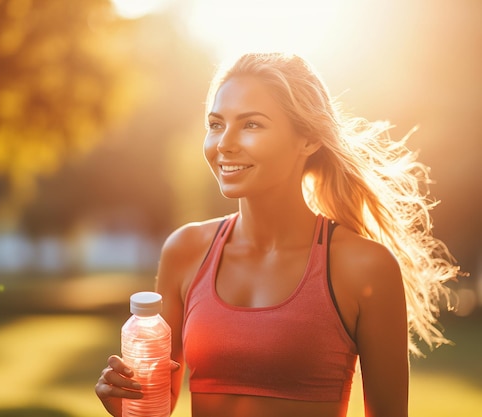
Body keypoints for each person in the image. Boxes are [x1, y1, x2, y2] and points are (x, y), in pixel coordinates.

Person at [94, 52, 462, 417]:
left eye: (251, 124)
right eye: (216, 124)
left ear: (309, 139)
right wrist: (125, 404)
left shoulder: (364, 266)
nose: (224, 143)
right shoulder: (185, 250)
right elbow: (153, 407)